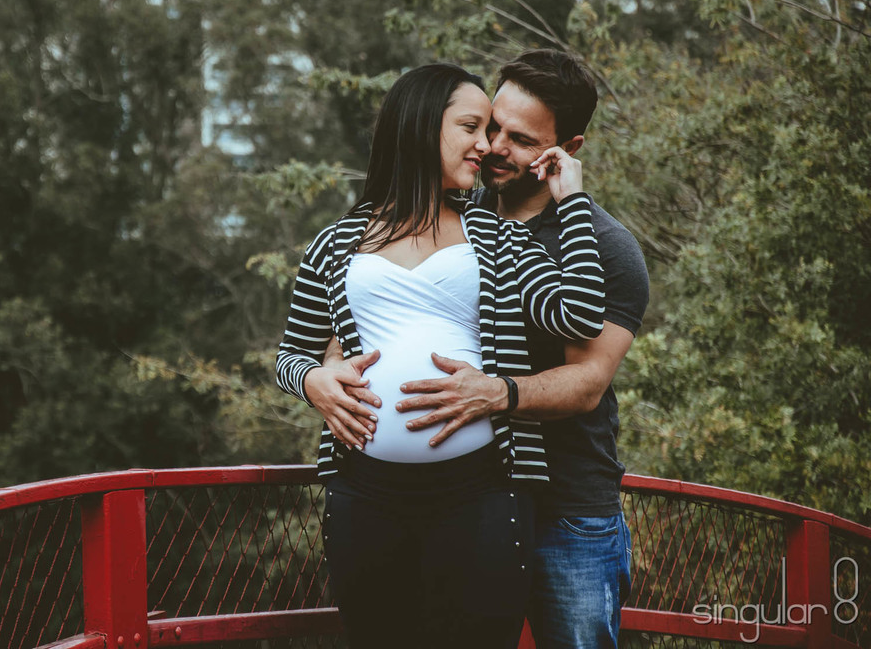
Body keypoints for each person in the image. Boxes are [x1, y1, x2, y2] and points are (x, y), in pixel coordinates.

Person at [275, 62, 608, 647]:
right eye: (472, 128)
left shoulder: (500, 235)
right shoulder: (335, 242)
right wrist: (312, 382)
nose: (487, 146)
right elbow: (291, 355)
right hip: (364, 492)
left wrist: (572, 198)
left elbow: (577, 315)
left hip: (482, 491)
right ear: (424, 127)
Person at [389, 49, 651, 648]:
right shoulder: (451, 218)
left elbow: (586, 384)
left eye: (520, 139)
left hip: (568, 511)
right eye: (490, 127)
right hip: (464, 496)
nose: (494, 148)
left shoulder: (610, 248)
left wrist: (493, 395)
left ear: (569, 150)